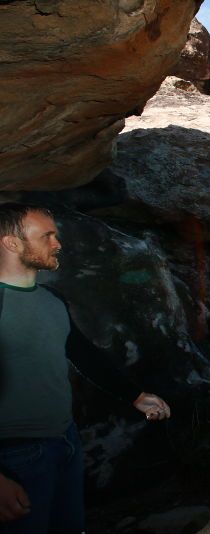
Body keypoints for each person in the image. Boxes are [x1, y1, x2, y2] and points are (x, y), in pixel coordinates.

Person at [0, 203, 171, 534]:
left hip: (65, 442)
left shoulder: (51, 299)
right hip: (14, 457)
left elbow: (82, 353)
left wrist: (135, 396)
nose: (57, 243)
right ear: (11, 243)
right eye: (46, 236)